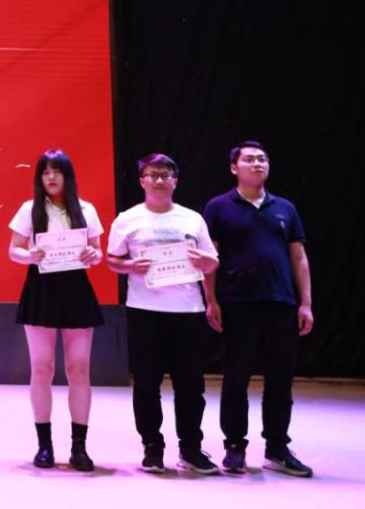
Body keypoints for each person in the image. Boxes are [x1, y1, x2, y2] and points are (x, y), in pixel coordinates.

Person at [202, 140, 314, 477]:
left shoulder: (285, 208)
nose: (257, 164)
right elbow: (209, 258)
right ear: (233, 167)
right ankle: (235, 447)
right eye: (249, 159)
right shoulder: (219, 207)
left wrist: (306, 302)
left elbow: (299, 257)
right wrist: (211, 300)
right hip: (237, 303)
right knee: (236, 378)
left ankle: (277, 448)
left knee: (280, 380)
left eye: (262, 159)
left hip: (281, 302)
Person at [106, 153, 219, 474]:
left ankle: (191, 448)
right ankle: (152, 448)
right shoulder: (127, 219)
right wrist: (131, 265)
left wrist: (204, 262)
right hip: (145, 310)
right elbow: (112, 260)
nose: (159, 180)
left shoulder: (192, 219)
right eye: (152, 174)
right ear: (142, 180)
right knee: (146, 383)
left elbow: (213, 261)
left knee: (190, 385)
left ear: (175, 181)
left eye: (165, 175)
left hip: (188, 310)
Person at [8, 149, 103, 471]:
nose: (51, 177)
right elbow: (13, 250)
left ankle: (79, 447)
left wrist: (92, 255)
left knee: (79, 368)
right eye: (45, 172)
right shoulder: (29, 209)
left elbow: (97, 251)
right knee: (42, 368)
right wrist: (30, 255)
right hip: (41, 288)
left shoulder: (86, 209)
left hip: (76, 289)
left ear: (67, 176)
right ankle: (44, 445)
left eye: (57, 171)